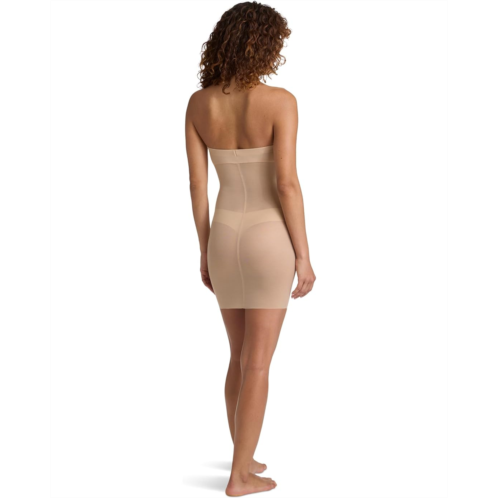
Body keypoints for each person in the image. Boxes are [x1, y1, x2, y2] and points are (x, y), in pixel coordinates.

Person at [185, 2, 316, 495]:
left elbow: (198, 186)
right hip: (267, 237)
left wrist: (204, 250)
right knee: (257, 361)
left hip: (223, 234)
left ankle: (244, 456)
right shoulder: (280, 101)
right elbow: (286, 184)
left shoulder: (199, 104)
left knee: (238, 355)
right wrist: (303, 255)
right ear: (265, 45)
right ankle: (240, 476)